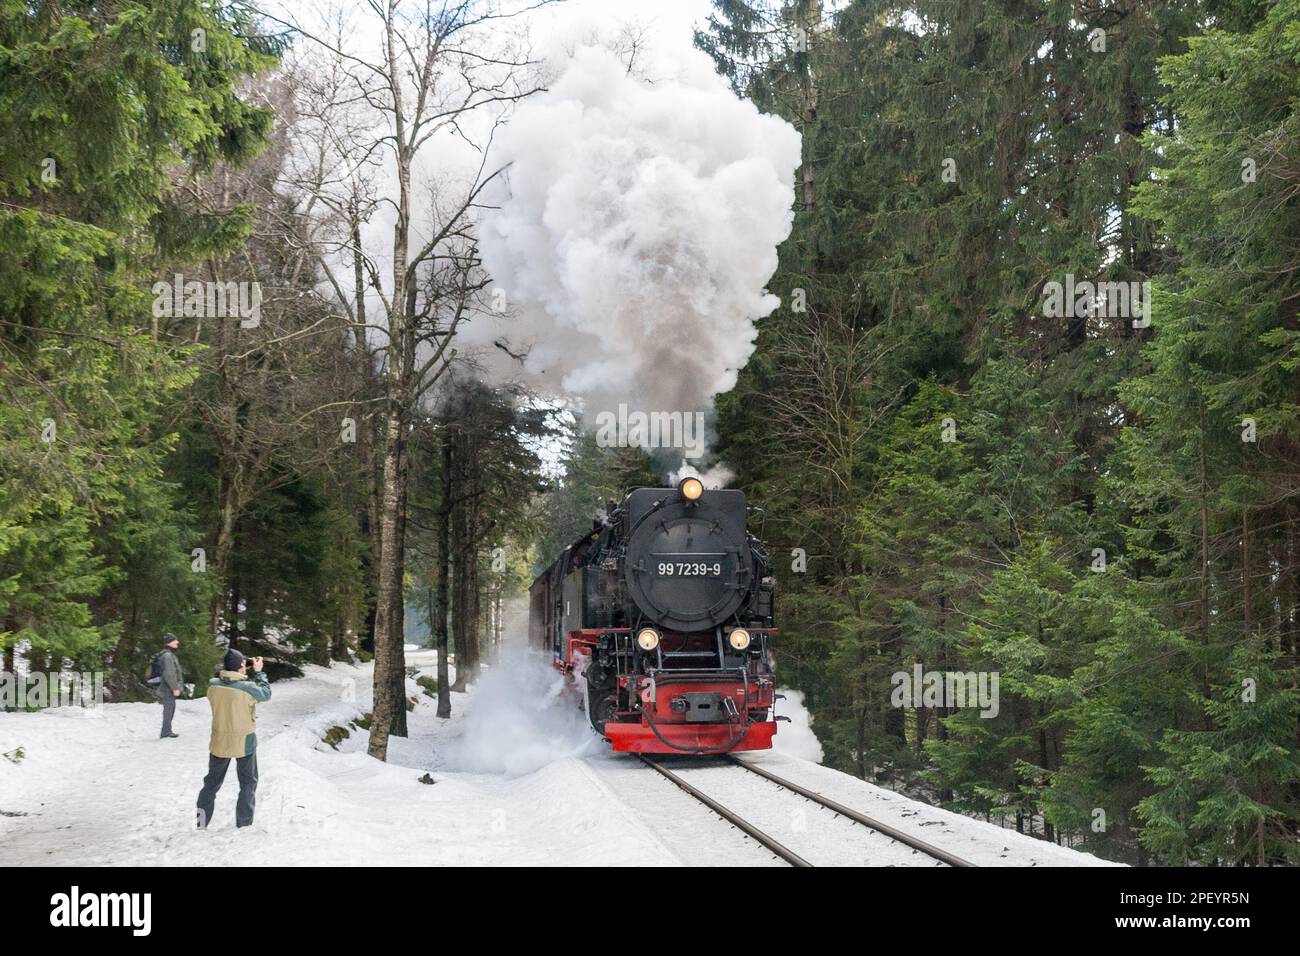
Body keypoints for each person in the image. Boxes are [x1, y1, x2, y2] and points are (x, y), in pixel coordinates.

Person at [196, 649, 271, 829]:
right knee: (248, 783)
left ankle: (201, 822)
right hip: (244, 741)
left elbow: (228, 680)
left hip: (219, 741)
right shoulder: (249, 689)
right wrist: (259, 671)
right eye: (244, 666)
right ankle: (244, 824)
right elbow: (266, 694)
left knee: (211, 784)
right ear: (239, 668)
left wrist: (243, 667)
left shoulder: (213, 687)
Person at [156, 633, 183, 739]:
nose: (177, 642)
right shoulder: (167, 656)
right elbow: (169, 673)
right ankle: (165, 732)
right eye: (175, 640)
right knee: (169, 709)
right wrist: (174, 688)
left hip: (167, 687)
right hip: (167, 688)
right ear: (169, 642)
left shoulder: (168, 654)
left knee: (170, 708)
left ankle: (167, 730)